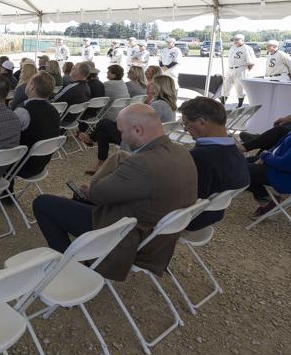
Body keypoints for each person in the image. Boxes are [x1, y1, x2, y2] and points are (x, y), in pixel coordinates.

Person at [32, 104, 198, 281]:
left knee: (43, 203)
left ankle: (70, 269)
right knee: (116, 160)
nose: (121, 137)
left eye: (122, 132)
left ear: (138, 130)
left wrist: (93, 186)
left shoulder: (142, 164)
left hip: (126, 236)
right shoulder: (181, 152)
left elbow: (96, 194)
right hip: (158, 238)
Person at [178, 97, 250, 230]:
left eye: (186, 123)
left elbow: (187, 199)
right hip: (212, 215)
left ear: (201, 122)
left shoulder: (201, 156)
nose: (185, 129)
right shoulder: (237, 153)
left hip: (188, 220)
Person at [79, 64, 130, 174]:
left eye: (109, 72)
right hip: (119, 117)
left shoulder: (108, 85)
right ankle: (100, 164)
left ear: (114, 74)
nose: (107, 74)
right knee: (102, 134)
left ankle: (91, 138)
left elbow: (97, 95)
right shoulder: (123, 84)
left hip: (112, 118)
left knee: (104, 122)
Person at [13, 72, 61, 180]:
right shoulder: (54, 110)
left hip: (21, 167)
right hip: (40, 164)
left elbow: (6, 138)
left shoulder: (23, 111)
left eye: (29, 82)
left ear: (32, 87)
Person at [221, 34, 255, 107]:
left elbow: (252, 62)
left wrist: (246, 71)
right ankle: (222, 103)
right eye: (234, 39)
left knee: (239, 88)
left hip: (241, 69)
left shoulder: (247, 48)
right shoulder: (232, 47)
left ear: (242, 40)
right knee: (226, 86)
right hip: (230, 69)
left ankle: (239, 104)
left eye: (237, 39)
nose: (235, 41)